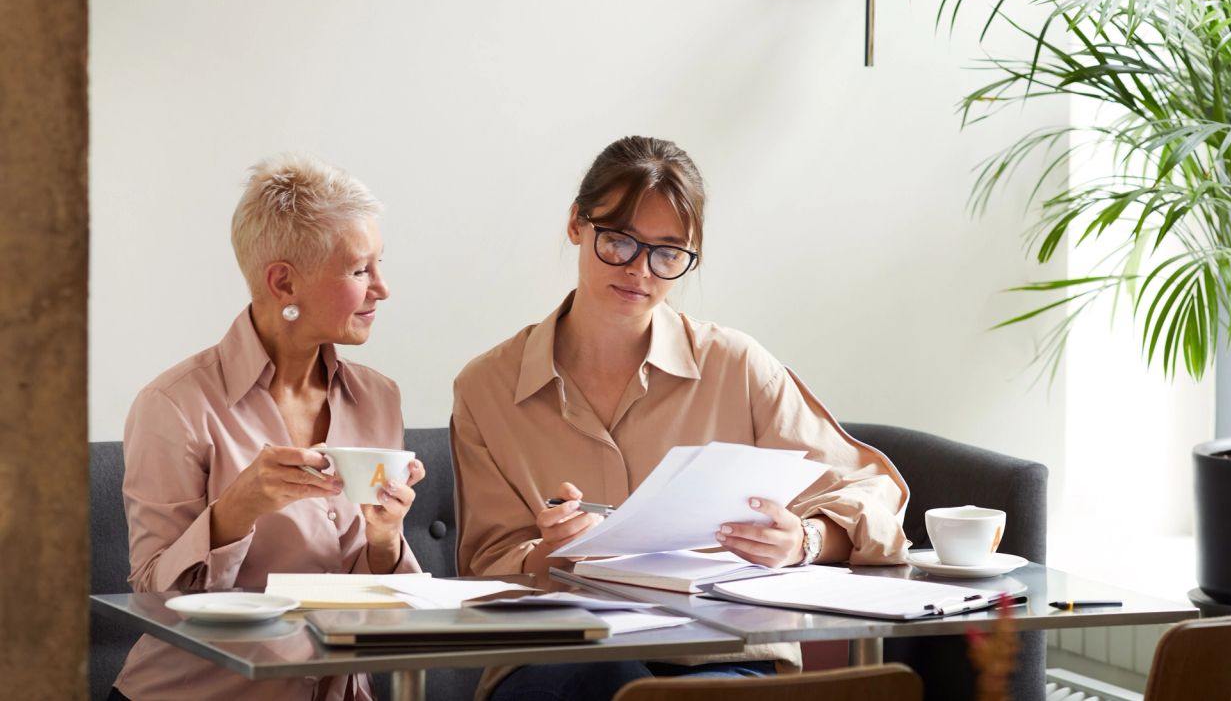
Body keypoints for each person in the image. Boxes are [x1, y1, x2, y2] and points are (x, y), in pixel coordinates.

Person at [451, 136, 910, 701]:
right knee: (606, 683)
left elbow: (871, 489)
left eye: (668, 253)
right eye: (618, 241)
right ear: (576, 223)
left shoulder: (737, 367)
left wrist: (806, 540)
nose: (640, 271)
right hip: (559, 660)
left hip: (721, 655)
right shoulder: (487, 387)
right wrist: (551, 554)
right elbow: (482, 569)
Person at [111, 154, 424, 701]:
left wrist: (384, 536)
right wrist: (238, 509)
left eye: (379, 264)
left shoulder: (379, 398)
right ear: (283, 282)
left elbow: (385, 608)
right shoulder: (174, 406)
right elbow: (153, 598)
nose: (383, 288)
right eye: (359, 270)